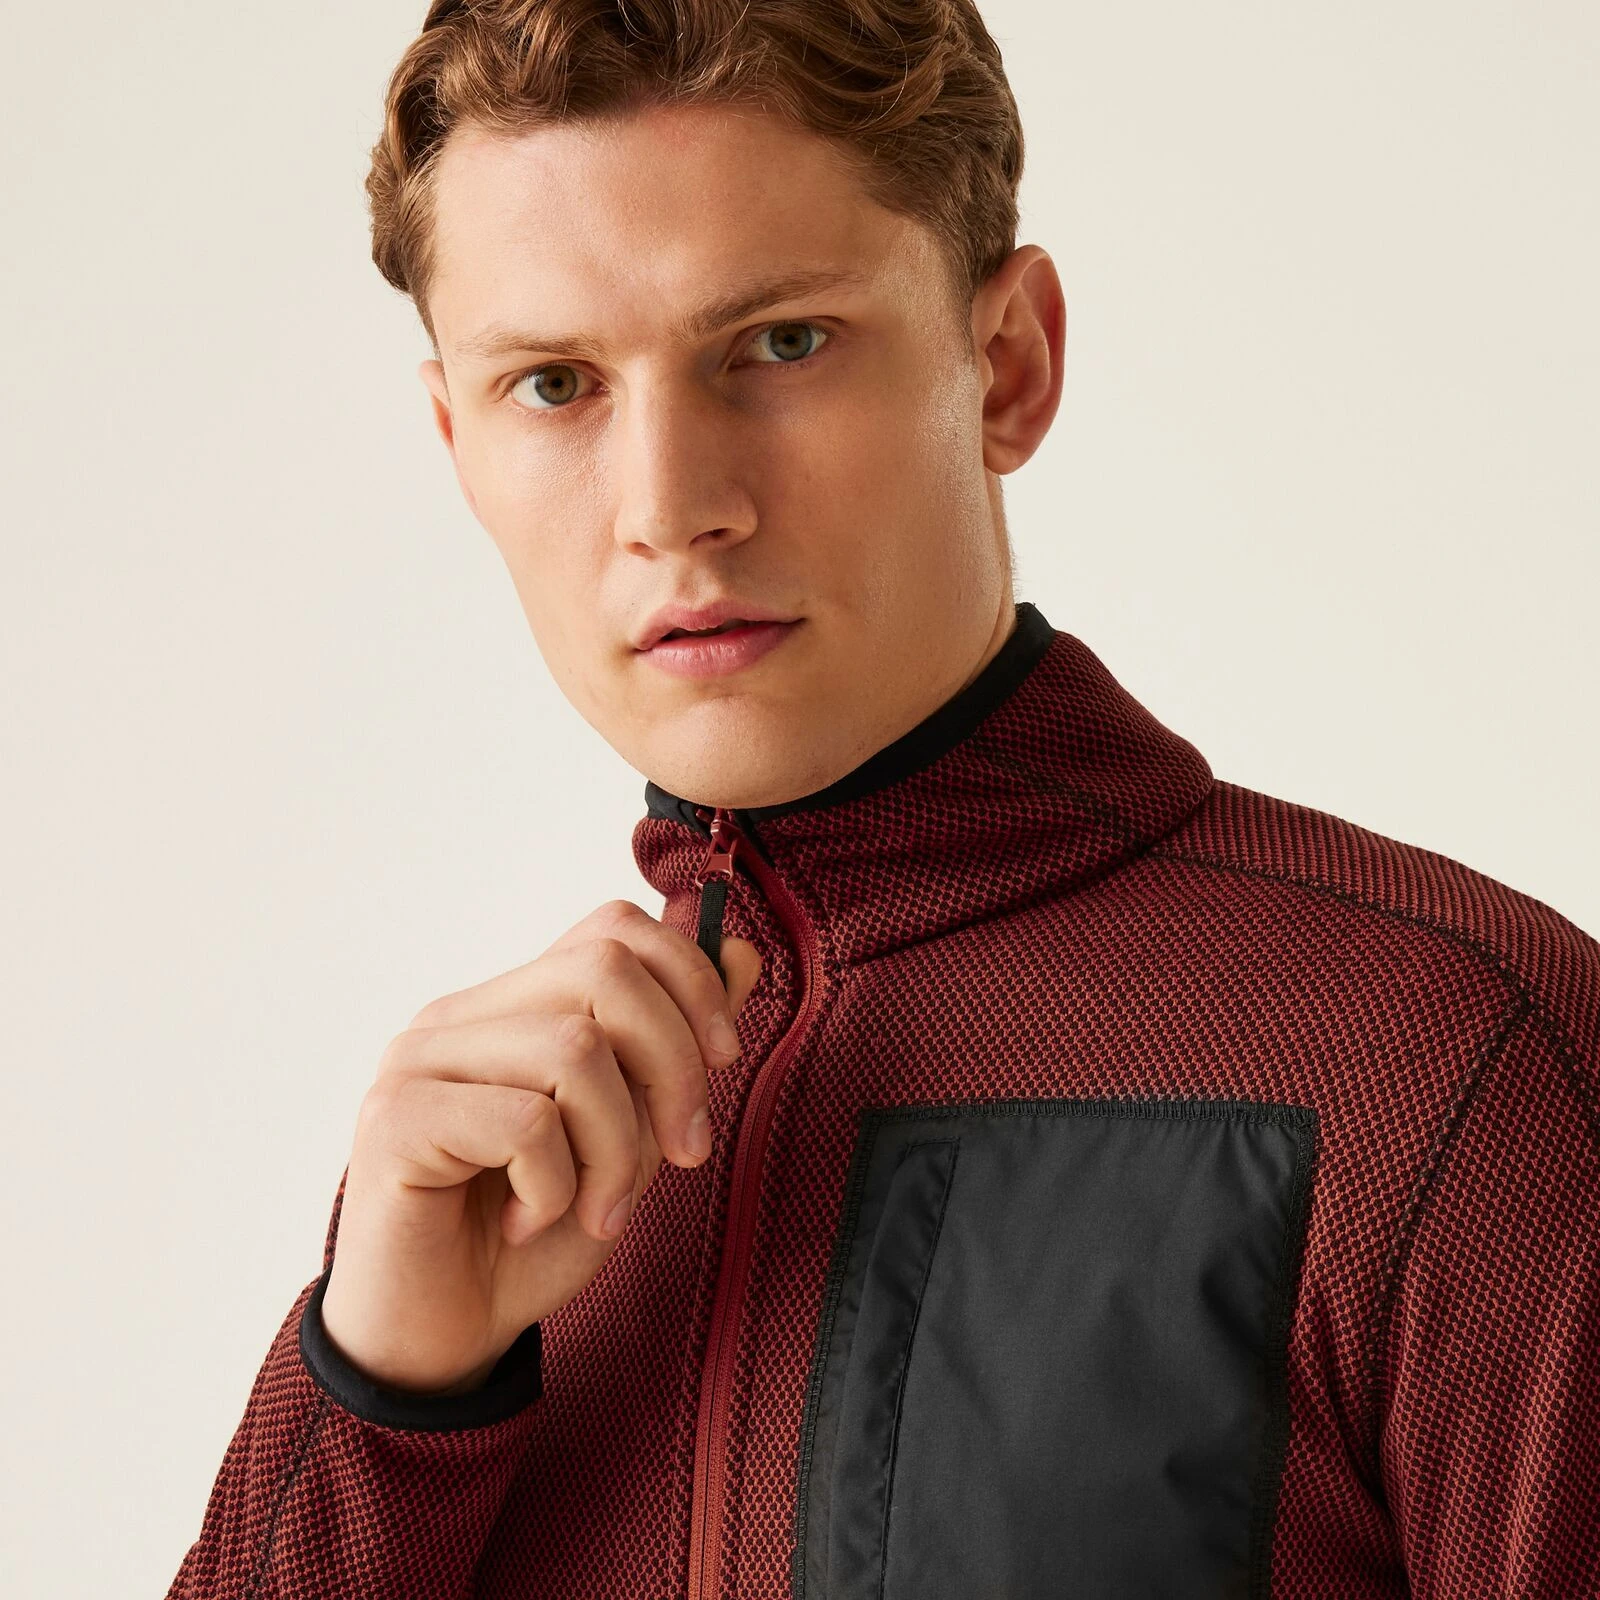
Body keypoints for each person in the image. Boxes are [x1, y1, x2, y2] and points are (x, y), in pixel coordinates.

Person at [166, 2, 1599, 1596]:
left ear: (1008, 365)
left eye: (780, 343)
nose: (671, 507)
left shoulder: (1452, 1065)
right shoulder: (489, 1185)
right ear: (459, 446)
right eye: (555, 384)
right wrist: (382, 1392)